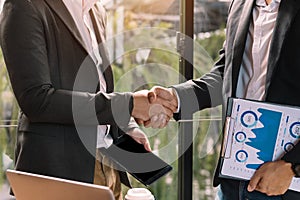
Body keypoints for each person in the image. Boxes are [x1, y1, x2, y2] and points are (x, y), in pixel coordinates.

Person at [0, 0, 175, 199]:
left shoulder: (96, 10)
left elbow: (98, 88)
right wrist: (128, 104)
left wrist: (127, 125)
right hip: (58, 171)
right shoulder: (24, 5)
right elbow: (37, 100)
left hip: (108, 165)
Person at [145, 0, 300, 199]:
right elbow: (225, 72)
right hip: (233, 178)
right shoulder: (240, 4)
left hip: (285, 184)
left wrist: (292, 166)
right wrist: (176, 98)